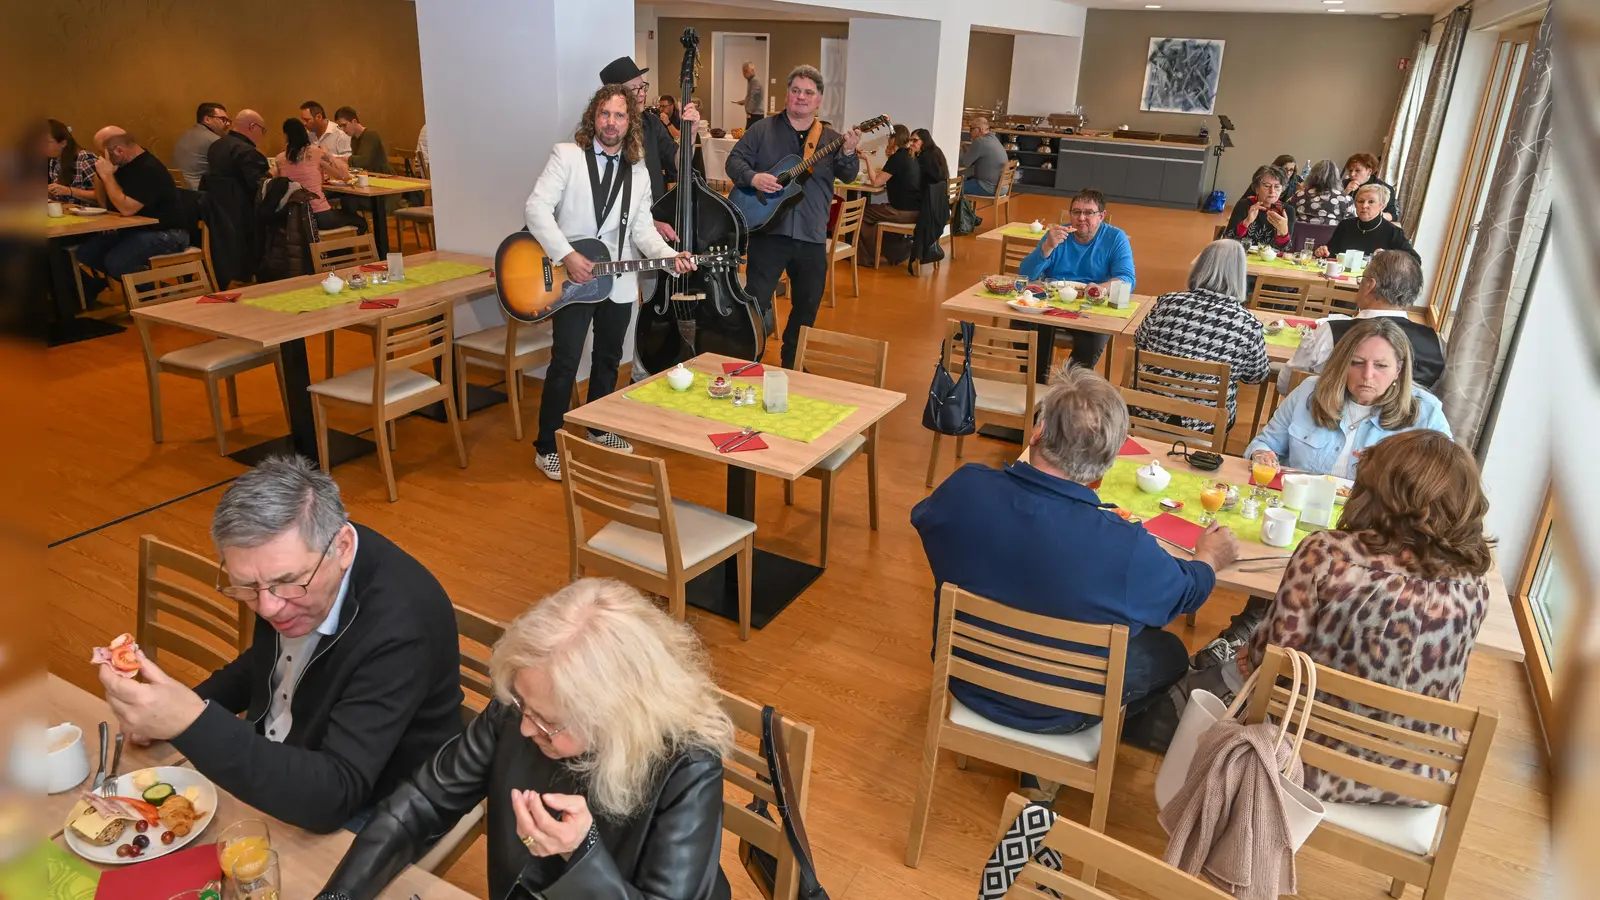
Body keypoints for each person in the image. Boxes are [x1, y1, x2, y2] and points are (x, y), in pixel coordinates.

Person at [912, 365, 1239, 801]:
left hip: (965, 677)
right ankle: (1053, 763)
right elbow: (1187, 593)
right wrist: (1209, 559)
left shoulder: (964, 489)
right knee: (1170, 652)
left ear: (1037, 432)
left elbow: (926, 523)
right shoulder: (1125, 547)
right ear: (1107, 464)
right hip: (1060, 710)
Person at [98, 455, 464, 833]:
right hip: (291, 762)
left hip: (384, 804)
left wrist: (192, 721)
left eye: (287, 582)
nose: (269, 607)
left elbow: (333, 797)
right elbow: (266, 661)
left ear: (342, 547)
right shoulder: (289, 565)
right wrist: (177, 708)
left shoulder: (402, 626)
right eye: (247, 587)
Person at [315, 578, 735, 900]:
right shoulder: (523, 705)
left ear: (613, 719)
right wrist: (339, 895)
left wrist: (582, 854)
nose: (525, 729)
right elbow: (424, 801)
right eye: (521, 704)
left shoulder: (687, 764)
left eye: (548, 722)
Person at [1240, 429, 1492, 805]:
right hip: (1418, 780)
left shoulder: (1327, 555)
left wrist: (1250, 651)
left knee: (1231, 673)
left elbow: (1272, 664)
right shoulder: (1474, 585)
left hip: (1302, 763)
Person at [524, 84, 698, 481]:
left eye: (619, 115)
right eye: (604, 113)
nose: (611, 122)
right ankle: (547, 446)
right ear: (594, 117)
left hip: (617, 283)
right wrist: (566, 255)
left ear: (629, 122)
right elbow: (536, 208)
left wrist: (672, 258)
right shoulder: (566, 156)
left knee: (608, 358)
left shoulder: (638, 172)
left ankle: (599, 427)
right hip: (571, 280)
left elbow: (643, 232)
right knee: (566, 361)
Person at [726, 65, 862, 368]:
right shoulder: (762, 130)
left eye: (808, 92)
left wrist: (849, 153)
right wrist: (754, 178)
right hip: (768, 232)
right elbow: (734, 161)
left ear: (819, 100)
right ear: (787, 94)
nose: (801, 97)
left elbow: (848, 174)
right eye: (796, 90)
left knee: (807, 305)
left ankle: (793, 364)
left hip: (811, 234)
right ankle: (746, 360)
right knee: (756, 301)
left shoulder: (831, 139)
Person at [1246, 316, 1450, 477]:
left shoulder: (1427, 413)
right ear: (1342, 363)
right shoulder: (1309, 391)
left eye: (1380, 366)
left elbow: (1445, 480)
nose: (1367, 375)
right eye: (1356, 363)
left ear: (1399, 369)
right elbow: (1265, 443)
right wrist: (1261, 453)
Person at [1132, 239, 1269, 434]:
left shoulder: (1167, 302)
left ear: (1200, 267)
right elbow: (1255, 376)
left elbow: (1140, 341)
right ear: (1240, 275)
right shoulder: (1247, 323)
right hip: (1205, 423)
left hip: (1146, 410)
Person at [1284, 249, 1444, 392]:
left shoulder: (1329, 332)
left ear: (1370, 286)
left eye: (1362, 279)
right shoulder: (1435, 342)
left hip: (1331, 415)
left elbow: (1287, 384)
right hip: (1407, 417)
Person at [1017, 189, 1136, 370]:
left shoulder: (1115, 238)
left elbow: (1127, 279)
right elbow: (1025, 273)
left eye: (1088, 212)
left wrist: (1101, 288)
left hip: (1090, 307)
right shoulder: (1057, 235)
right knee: (1022, 322)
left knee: (1093, 336)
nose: (1081, 218)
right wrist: (1047, 247)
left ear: (1101, 216)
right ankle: (1034, 379)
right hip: (1051, 303)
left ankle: (1071, 380)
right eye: (1076, 212)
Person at [74, 130, 189, 298]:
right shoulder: (121, 165)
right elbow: (102, 202)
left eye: (103, 153)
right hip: (137, 229)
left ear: (119, 150)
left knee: (117, 262)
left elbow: (126, 209)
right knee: (87, 253)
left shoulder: (148, 169)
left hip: (168, 232)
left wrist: (108, 176)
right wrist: (100, 175)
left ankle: (165, 292)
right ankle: (144, 285)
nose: (101, 158)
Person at [202, 109, 271, 288]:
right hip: (245, 215)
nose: (262, 135)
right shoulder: (247, 152)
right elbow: (260, 187)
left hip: (219, 214)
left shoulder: (216, 146)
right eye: (262, 130)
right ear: (252, 126)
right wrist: (274, 175)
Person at [275, 118, 365, 235]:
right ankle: (348, 245)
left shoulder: (279, 159)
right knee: (359, 221)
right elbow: (344, 174)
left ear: (286, 136)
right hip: (320, 215)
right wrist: (326, 152)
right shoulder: (315, 153)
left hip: (294, 219)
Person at [858, 124, 920, 267]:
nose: (887, 140)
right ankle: (895, 252)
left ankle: (867, 258)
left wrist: (866, 159)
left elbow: (876, 183)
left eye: (889, 137)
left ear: (894, 139)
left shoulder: (897, 158)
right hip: (916, 210)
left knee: (863, 213)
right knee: (876, 213)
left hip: (901, 212)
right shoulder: (911, 155)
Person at [1316, 183, 1419, 263]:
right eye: (1360, 201)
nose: (1364, 206)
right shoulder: (1345, 225)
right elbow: (1331, 253)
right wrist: (1323, 252)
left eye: (1371, 202)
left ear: (1382, 206)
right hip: (1342, 278)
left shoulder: (1393, 232)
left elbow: (1415, 260)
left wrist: (1388, 256)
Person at [908, 127, 953, 271]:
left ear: (924, 141)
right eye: (910, 140)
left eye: (915, 140)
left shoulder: (924, 158)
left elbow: (915, 182)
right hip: (938, 205)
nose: (911, 143)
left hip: (927, 206)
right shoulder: (936, 152)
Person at [1226, 164, 1295, 250]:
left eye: (1277, 187)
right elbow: (1228, 241)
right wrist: (1246, 223)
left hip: (1271, 258)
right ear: (1257, 189)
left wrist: (1283, 232)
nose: (1272, 191)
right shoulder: (1244, 205)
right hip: (1243, 255)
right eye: (1267, 186)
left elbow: (1286, 250)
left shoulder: (1288, 211)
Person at [172, 102, 230, 190]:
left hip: (178, 190)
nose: (227, 124)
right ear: (207, 119)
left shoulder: (184, 135)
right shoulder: (215, 140)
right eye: (223, 119)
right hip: (198, 192)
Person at [45, 119, 99, 207]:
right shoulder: (53, 160)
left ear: (63, 143)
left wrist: (69, 191)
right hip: (67, 211)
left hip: (91, 212)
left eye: (46, 142)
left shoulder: (85, 159)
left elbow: (101, 197)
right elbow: (58, 196)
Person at [1290, 159, 1355, 226]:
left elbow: (1287, 213)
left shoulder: (1299, 195)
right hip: (1332, 232)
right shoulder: (1347, 200)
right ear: (1336, 178)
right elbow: (1353, 223)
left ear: (1312, 176)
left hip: (1301, 232)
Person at [958, 116, 1009, 197]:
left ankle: (962, 205)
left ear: (980, 130)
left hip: (988, 187)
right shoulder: (994, 139)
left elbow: (965, 163)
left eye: (971, 129)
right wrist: (964, 147)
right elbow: (971, 160)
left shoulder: (980, 141)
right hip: (1002, 187)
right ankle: (966, 205)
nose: (970, 132)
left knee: (953, 187)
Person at [1343, 152, 1400, 222]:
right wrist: (1345, 192)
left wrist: (1375, 214)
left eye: (1357, 170)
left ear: (1369, 171)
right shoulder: (1343, 184)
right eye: (1350, 170)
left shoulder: (1384, 188)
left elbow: (1393, 215)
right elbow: (1333, 206)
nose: (1352, 174)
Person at [334, 107, 390, 174]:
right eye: (340, 127)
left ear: (354, 121)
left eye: (344, 125)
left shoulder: (370, 135)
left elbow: (364, 161)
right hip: (369, 176)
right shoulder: (354, 139)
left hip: (384, 176)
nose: (342, 129)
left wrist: (342, 159)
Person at [732, 60, 763, 128]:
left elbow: (753, 99)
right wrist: (744, 101)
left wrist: (748, 112)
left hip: (755, 116)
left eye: (746, 71)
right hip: (754, 115)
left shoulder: (754, 81)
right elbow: (753, 97)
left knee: (749, 133)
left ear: (752, 70)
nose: (744, 74)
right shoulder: (751, 81)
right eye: (744, 71)